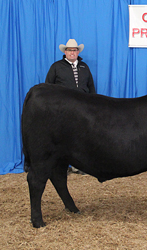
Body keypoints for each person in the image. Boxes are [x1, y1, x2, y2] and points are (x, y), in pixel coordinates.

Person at [45, 39, 96, 174]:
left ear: (78, 52)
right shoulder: (56, 66)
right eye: (69, 50)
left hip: (83, 108)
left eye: (74, 50)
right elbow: (48, 86)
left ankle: (78, 165)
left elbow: (91, 86)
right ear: (65, 52)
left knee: (81, 136)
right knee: (62, 136)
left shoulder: (84, 67)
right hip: (63, 108)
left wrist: (93, 104)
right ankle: (61, 166)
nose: (72, 52)